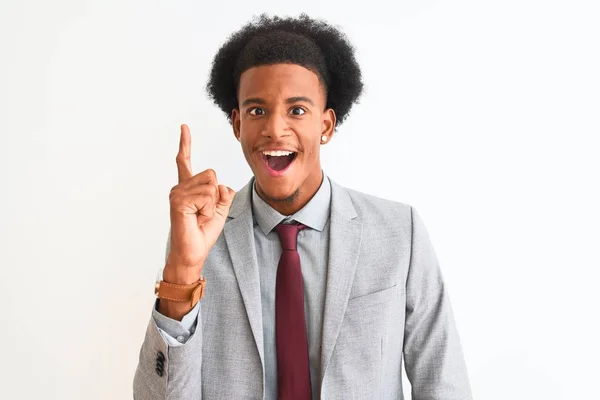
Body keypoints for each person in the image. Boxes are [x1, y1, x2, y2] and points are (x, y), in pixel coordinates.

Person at [133, 13, 472, 400]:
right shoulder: (198, 239)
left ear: (326, 125)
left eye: (297, 110)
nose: (275, 129)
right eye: (257, 111)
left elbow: (443, 384)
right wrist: (182, 270)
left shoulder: (400, 232)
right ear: (237, 124)